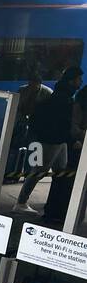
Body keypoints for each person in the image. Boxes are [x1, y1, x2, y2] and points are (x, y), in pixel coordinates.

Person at [16, 65, 82, 213]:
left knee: (59, 170)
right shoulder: (64, 98)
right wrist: (73, 141)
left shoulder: (58, 94)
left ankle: (52, 203)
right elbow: (63, 123)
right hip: (50, 141)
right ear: (72, 81)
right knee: (40, 170)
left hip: (56, 141)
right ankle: (21, 202)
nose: (81, 82)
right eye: (79, 79)